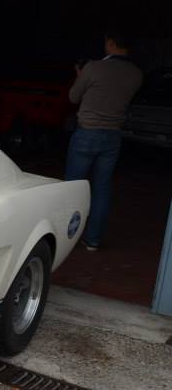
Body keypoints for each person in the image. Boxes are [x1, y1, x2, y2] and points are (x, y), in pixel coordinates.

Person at [65, 31, 143, 251]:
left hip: (87, 133)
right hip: (113, 137)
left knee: (74, 188)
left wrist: (81, 75)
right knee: (102, 188)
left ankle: (67, 238)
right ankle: (93, 240)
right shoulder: (137, 74)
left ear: (111, 43)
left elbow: (73, 97)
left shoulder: (94, 67)